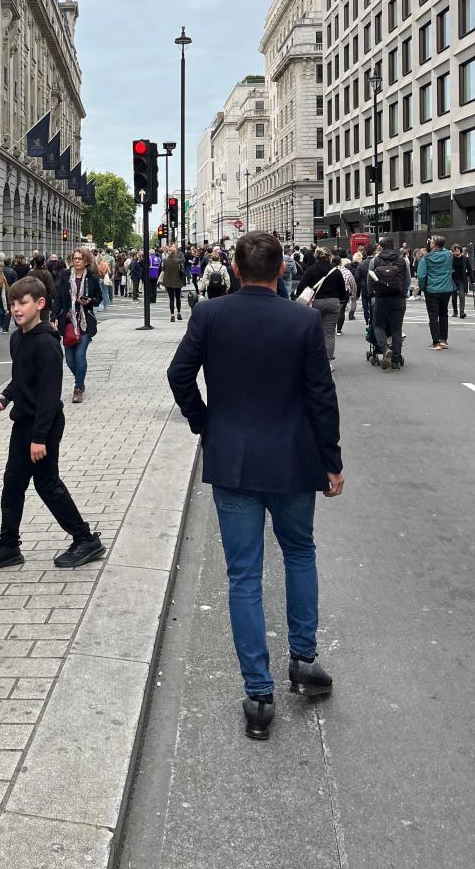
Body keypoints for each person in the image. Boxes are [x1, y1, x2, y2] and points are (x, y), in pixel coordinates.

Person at [167, 231, 343, 742]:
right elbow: (321, 398)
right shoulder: (303, 320)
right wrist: (331, 461)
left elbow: (179, 374)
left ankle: (258, 693)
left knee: (244, 574)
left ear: (238, 270)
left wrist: (206, 423)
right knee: (300, 553)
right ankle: (304, 660)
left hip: (235, 460)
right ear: (282, 269)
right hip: (293, 459)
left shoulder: (210, 315)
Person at [0, 276, 105, 572]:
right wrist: (5, 397)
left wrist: (40, 438)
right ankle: (9, 546)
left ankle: (86, 540)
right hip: (24, 423)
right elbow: (20, 381)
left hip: (42, 426)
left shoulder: (46, 343)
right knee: (13, 485)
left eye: (23, 303)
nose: (16, 309)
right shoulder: (19, 337)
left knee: (47, 485)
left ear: (40, 304)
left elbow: (48, 396)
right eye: (13, 303)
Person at [51, 245, 103, 404]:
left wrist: (89, 301)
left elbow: (98, 298)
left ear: (86, 261)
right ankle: (80, 378)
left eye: (80, 258)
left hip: (84, 323)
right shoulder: (65, 275)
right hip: (67, 322)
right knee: (70, 360)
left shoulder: (92, 278)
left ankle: (78, 388)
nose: (77, 261)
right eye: (75, 259)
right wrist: (54, 315)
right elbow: (59, 298)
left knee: (80, 356)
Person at [297, 247, 346, 368]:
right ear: (330, 257)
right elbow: (342, 290)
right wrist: (341, 299)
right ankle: (328, 362)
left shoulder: (311, 270)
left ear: (316, 257)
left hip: (316, 302)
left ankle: (314, 359)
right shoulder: (336, 271)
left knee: (314, 332)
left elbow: (301, 286)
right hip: (333, 302)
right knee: (329, 333)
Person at [368, 236, 410, 370]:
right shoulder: (402, 260)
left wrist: (371, 295)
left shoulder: (375, 260)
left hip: (381, 298)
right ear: (393, 246)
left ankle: (384, 349)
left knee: (378, 326)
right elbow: (408, 280)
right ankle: (396, 359)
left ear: (380, 247)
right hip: (398, 299)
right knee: (396, 329)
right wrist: (403, 292)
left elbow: (370, 280)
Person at [417, 235, 455, 350]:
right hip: (447, 289)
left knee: (433, 316)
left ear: (434, 244)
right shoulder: (449, 255)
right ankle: (444, 340)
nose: (430, 243)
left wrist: (423, 288)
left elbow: (421, 275)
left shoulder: (426, 258)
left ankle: (436, 342)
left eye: (431, 242)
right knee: (444, 314)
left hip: (432, 289)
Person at [28, 253, 56, 320]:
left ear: (34, 262)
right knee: (44, 320)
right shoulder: (47, 274)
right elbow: (51, 289)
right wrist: (55, 298)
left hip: (33, 300)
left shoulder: (30, 273)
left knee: (33, 321)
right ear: (44, 262)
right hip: (45, 300)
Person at [161, 247, 187, 320]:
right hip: (178, 281)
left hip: (169, 281)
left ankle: (172, 315)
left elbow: (163, 269)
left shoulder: (165, 260)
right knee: (178, 298)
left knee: (171, 299)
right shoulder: (178, 261)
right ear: (175, 252)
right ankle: (179, 313)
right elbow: (181, 270)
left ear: (169, 252)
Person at [450, 244, 475, 319]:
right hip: (453, 280)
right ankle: (455, 311)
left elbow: (469, 270)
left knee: (461, 295)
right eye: (454, 251)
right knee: (454, 297)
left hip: (461, 279)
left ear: (460, 251)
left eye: (456, 251)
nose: (455, 252)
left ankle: (462, 312)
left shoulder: (465, 259)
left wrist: (472, 281)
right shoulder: (451, 259)